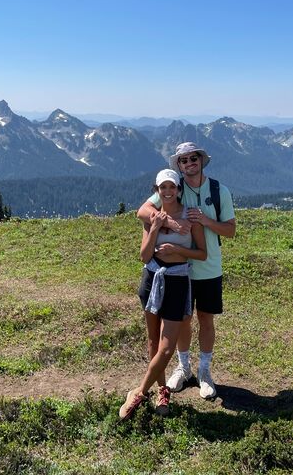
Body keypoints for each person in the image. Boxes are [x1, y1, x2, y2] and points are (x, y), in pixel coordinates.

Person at [136, 142, 236, 400]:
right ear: (178, 165)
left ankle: (204, 372)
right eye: (183, 160)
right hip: (179, 272)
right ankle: (184, 368)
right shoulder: (173, 186)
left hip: (208, 267)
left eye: (193, 158)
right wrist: (171, 223)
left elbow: (230, 230)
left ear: (202, 160)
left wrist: (205, 220)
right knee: (182, 322)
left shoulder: (218, 190)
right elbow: (143, 211)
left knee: (205, 319)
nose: (189, 163)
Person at [119, 168, 207, 420]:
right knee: (153, 342)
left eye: (172, 187)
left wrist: (179, 252)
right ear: (157, 190)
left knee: (167, 347)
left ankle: (138, 392)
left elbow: (202, 253)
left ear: (179, 189)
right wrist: (156, 228)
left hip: (178, 281)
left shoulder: (190, 218)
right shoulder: (152, 217)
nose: (168, 192)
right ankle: (161, 390)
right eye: (162, 188)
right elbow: (144, 256)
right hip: (152, 279)